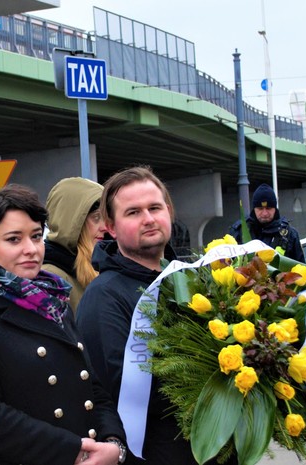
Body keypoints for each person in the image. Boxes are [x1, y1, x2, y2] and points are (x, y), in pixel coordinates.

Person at [0, 184, 127, 465]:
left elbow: (93, 389)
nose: (31, 249)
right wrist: (74, 450)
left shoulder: (53, 301)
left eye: (36, 236)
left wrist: (113, 443)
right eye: (13, 239)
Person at [76, 166, 194, 465]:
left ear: (169, 212)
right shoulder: (104, 296)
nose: (148, 218)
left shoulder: (192, 280)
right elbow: (118, 390)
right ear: (111, 227)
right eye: (133, 212)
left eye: (155, 208)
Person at [42, 177, 108, 314]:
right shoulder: (50, 277)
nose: (105, 227)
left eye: (106, 218)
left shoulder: (99, 265)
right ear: (72, 222)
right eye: (96, 218)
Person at [229, 183, 305, 262]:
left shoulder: (289, 234)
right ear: (254, 209)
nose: (265, 213)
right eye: (260, 208)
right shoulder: (239, 231)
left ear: (275, 208)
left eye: (268, 208)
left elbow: (301, 266)